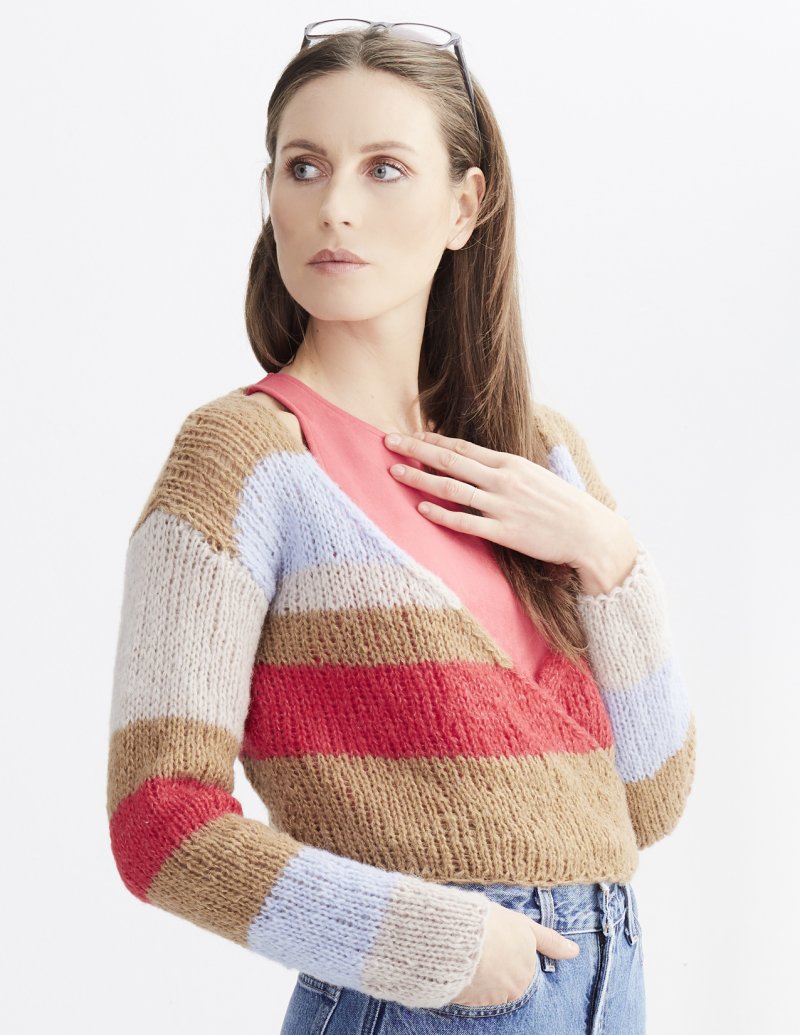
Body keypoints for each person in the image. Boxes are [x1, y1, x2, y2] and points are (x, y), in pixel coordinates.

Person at [106, 21, 697, 1035]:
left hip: (608, 986)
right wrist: (444, 945)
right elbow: (158, 820)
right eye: (303, 166)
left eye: (384, 169)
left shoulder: (544, 456)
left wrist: (609, 558)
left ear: (464, 205)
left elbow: (646, 801)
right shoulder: (243, 457)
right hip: (421, 998)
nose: (333, 206)